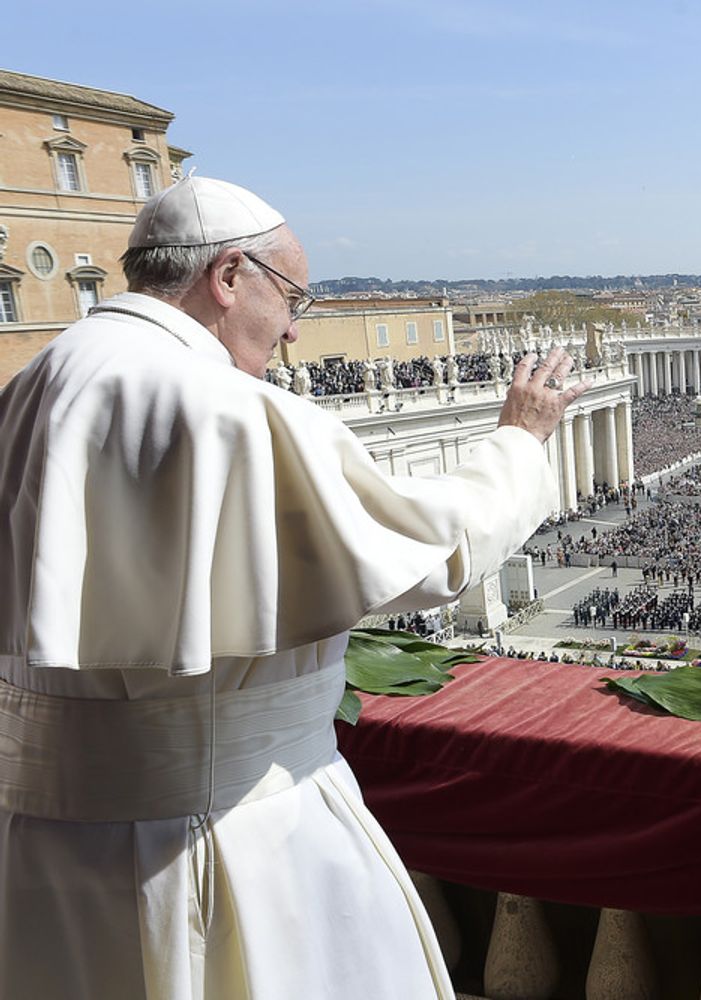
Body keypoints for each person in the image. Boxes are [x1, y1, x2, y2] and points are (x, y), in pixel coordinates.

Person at [0, 177, 587, 999]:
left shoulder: (31, 388)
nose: (296, 327)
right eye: (293, 296)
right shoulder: (231, 409)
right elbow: (427, 550)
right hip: (227, 844)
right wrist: (520, 442)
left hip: (42, 855)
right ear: (229, 275)